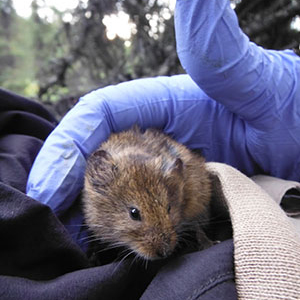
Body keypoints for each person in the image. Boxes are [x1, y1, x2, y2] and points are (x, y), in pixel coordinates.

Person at [26, 0, 300, 248]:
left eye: (167, 211)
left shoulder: (172, 178)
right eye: (135, 215)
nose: (161, 242)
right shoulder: (107, 188)